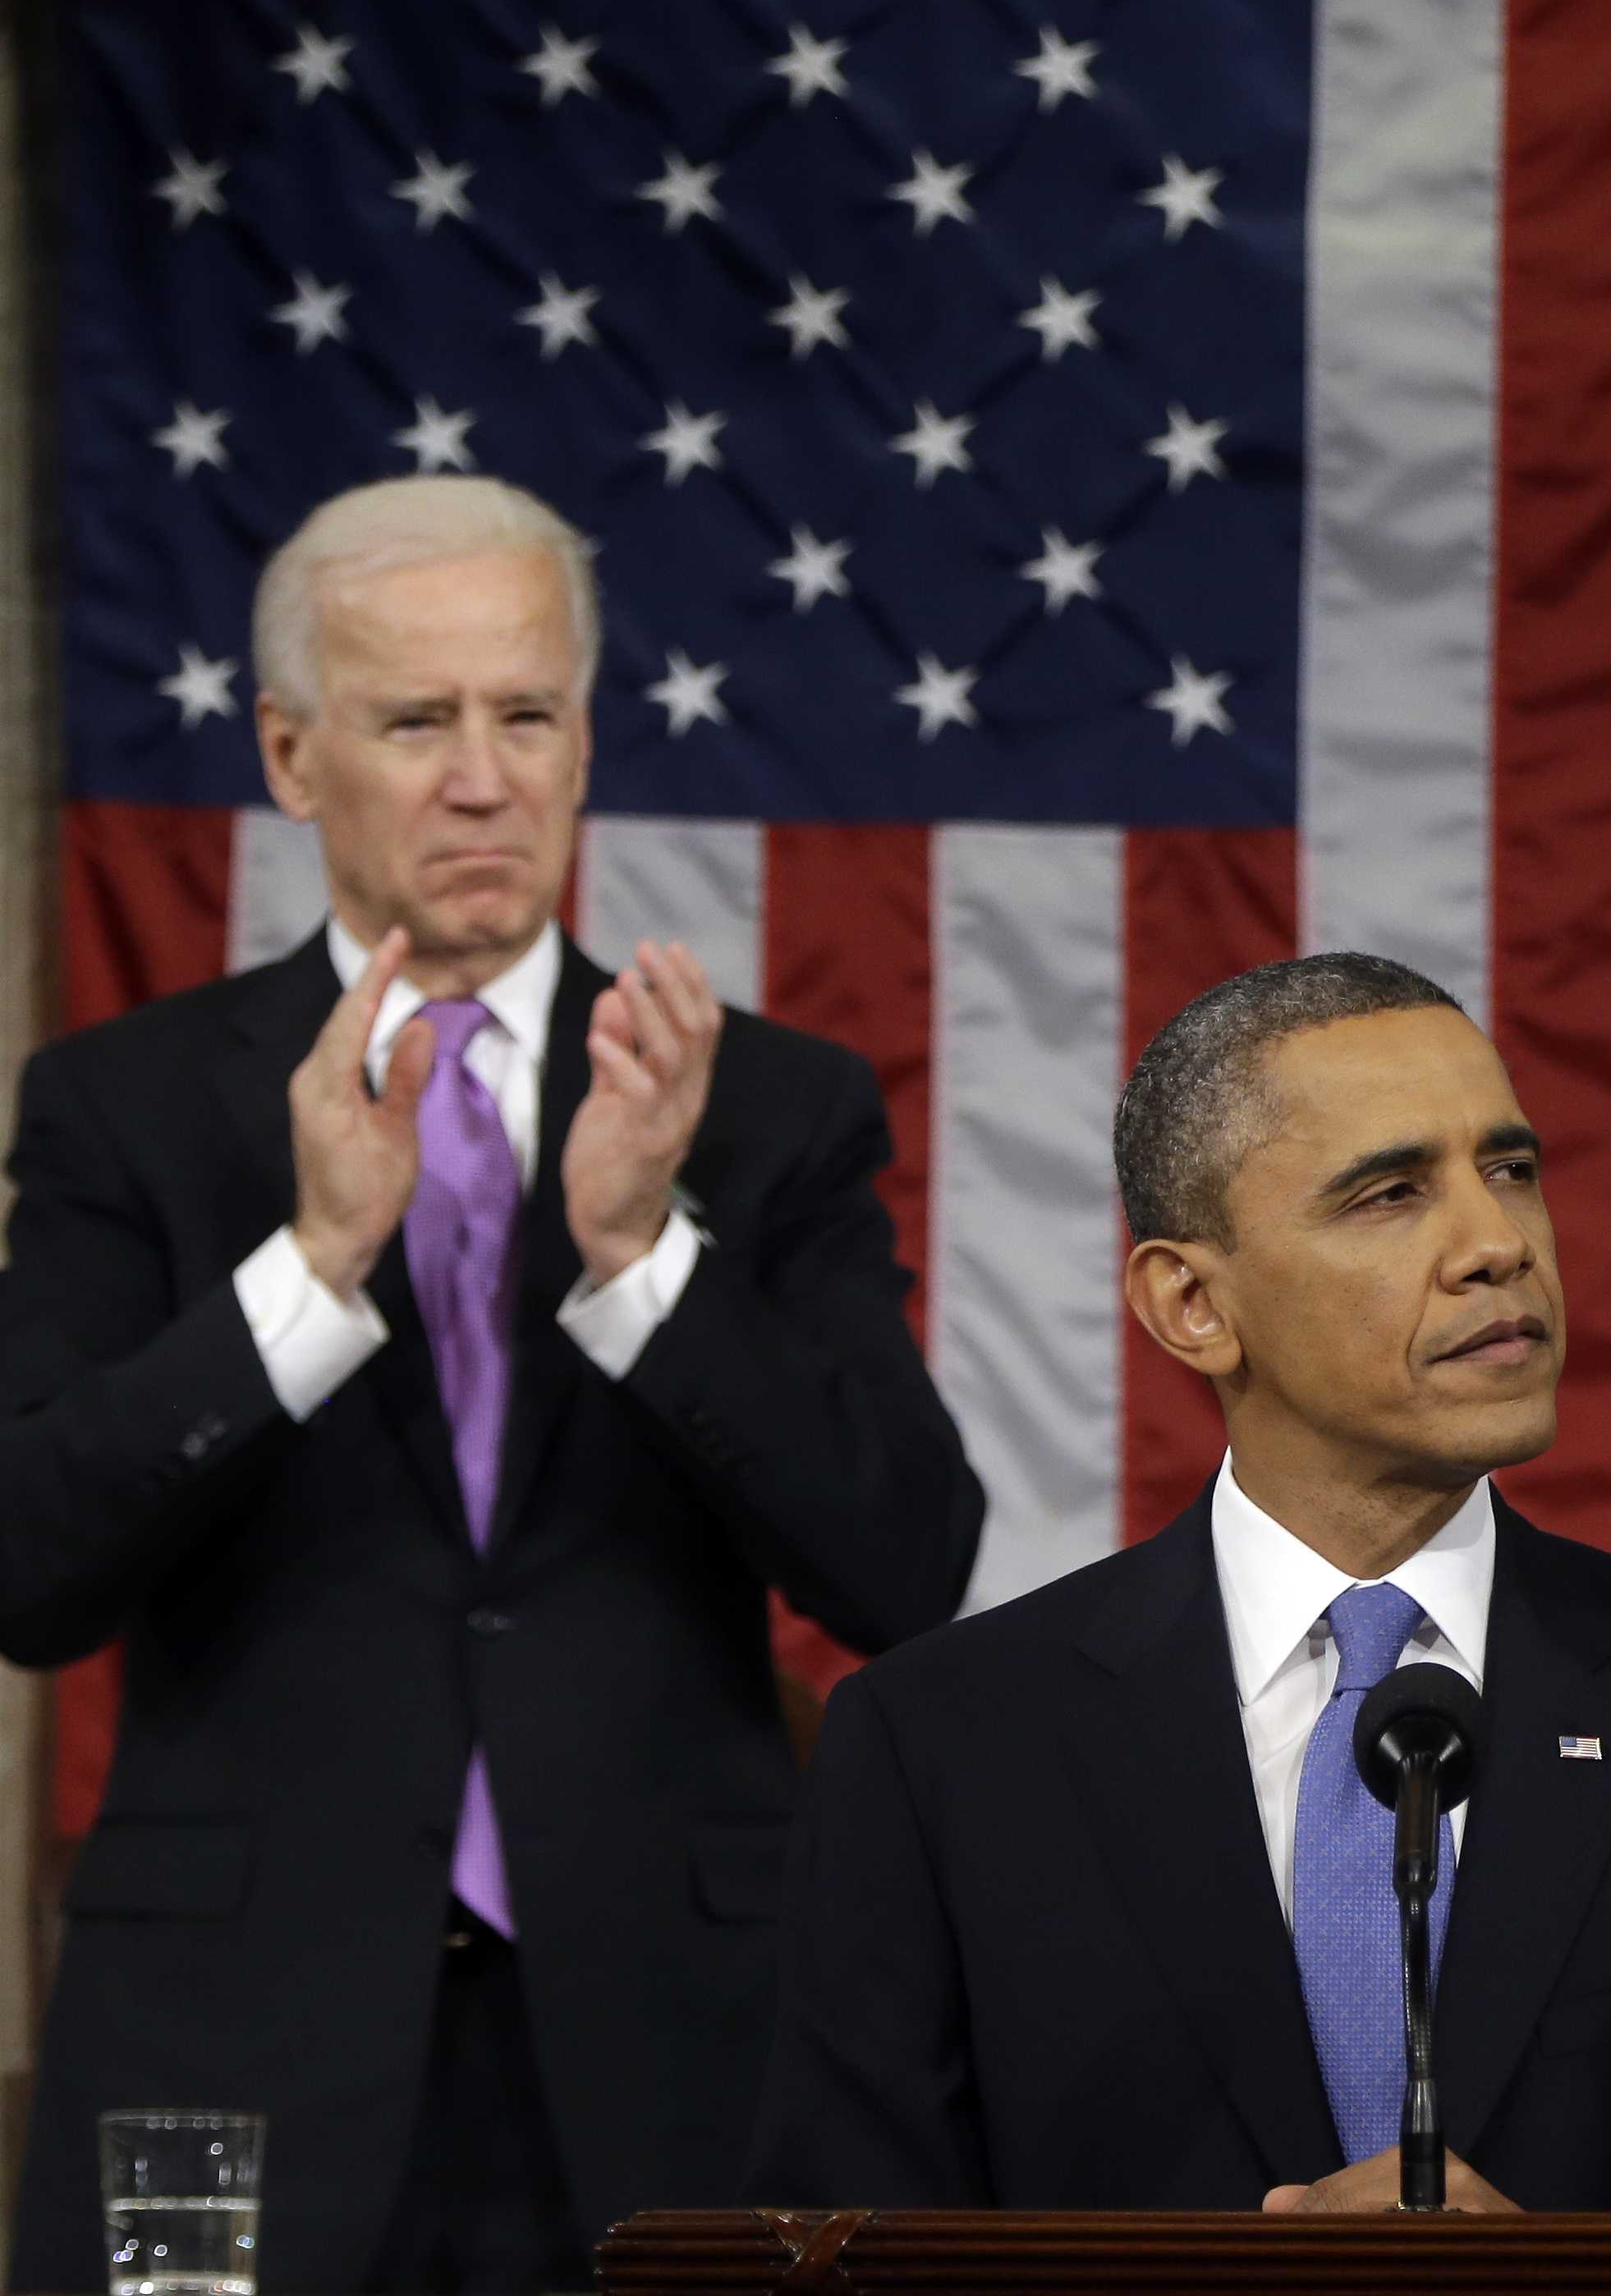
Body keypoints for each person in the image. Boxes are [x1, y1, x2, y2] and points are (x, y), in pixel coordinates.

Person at [0, 477, 984, 2293]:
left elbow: (906, 1566)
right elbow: (28, 1567)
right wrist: (307, 1273)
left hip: (666, 2050)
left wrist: (642, 1260)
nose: (484, 777)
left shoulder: (762, 1109)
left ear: (585, 735)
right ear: (291, 758)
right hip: (242, 2040)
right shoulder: (123, 1108)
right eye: (416, 720)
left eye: (526, 713)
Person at [748, 954, 1611, 2214]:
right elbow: (854, 2249)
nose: (1497, 1246)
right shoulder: (942, 1750)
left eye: (1510, 1170)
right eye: (1388, 1194)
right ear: (1192, 1304)